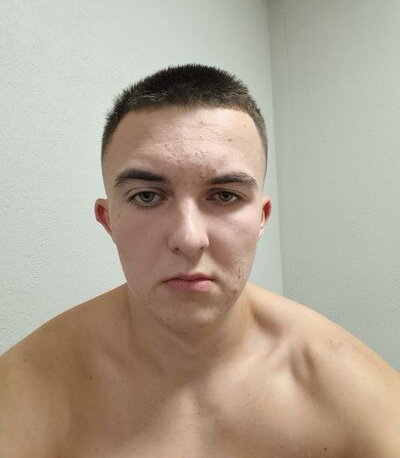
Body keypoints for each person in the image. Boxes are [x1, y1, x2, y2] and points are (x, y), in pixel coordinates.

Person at [0, 64, 399, 457]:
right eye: (146, 196)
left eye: (224, 195)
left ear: (261, 218)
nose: (189, 239)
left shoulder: (351, 391)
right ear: (108, 220)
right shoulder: (26, 389)